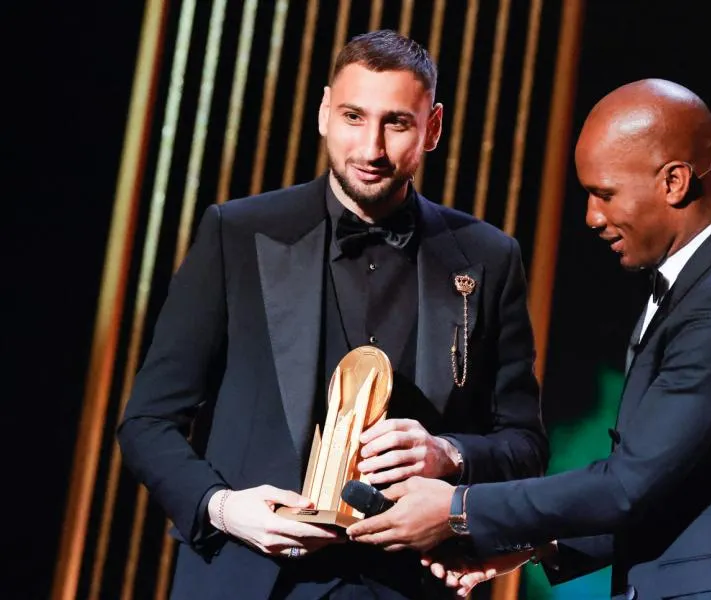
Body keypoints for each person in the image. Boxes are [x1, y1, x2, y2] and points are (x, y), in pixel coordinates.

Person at [346, 78, 711, 600]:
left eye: (604, 194)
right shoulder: (703, 285)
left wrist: (458, 509)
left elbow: (631, 484)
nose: (592, 217)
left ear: (674, 182)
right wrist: (532, 546)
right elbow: (676, 481)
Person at [117, 29, 548, 600]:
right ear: (324, 112)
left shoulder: (489, 258)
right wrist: (222, 508)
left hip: (409, 584)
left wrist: (449, 454)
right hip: (248, 578)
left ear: (433, 128)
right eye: (352, 116)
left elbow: (524, 445)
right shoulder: (237, 234)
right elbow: (148, 422)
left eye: (396, 123)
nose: (370, 148)